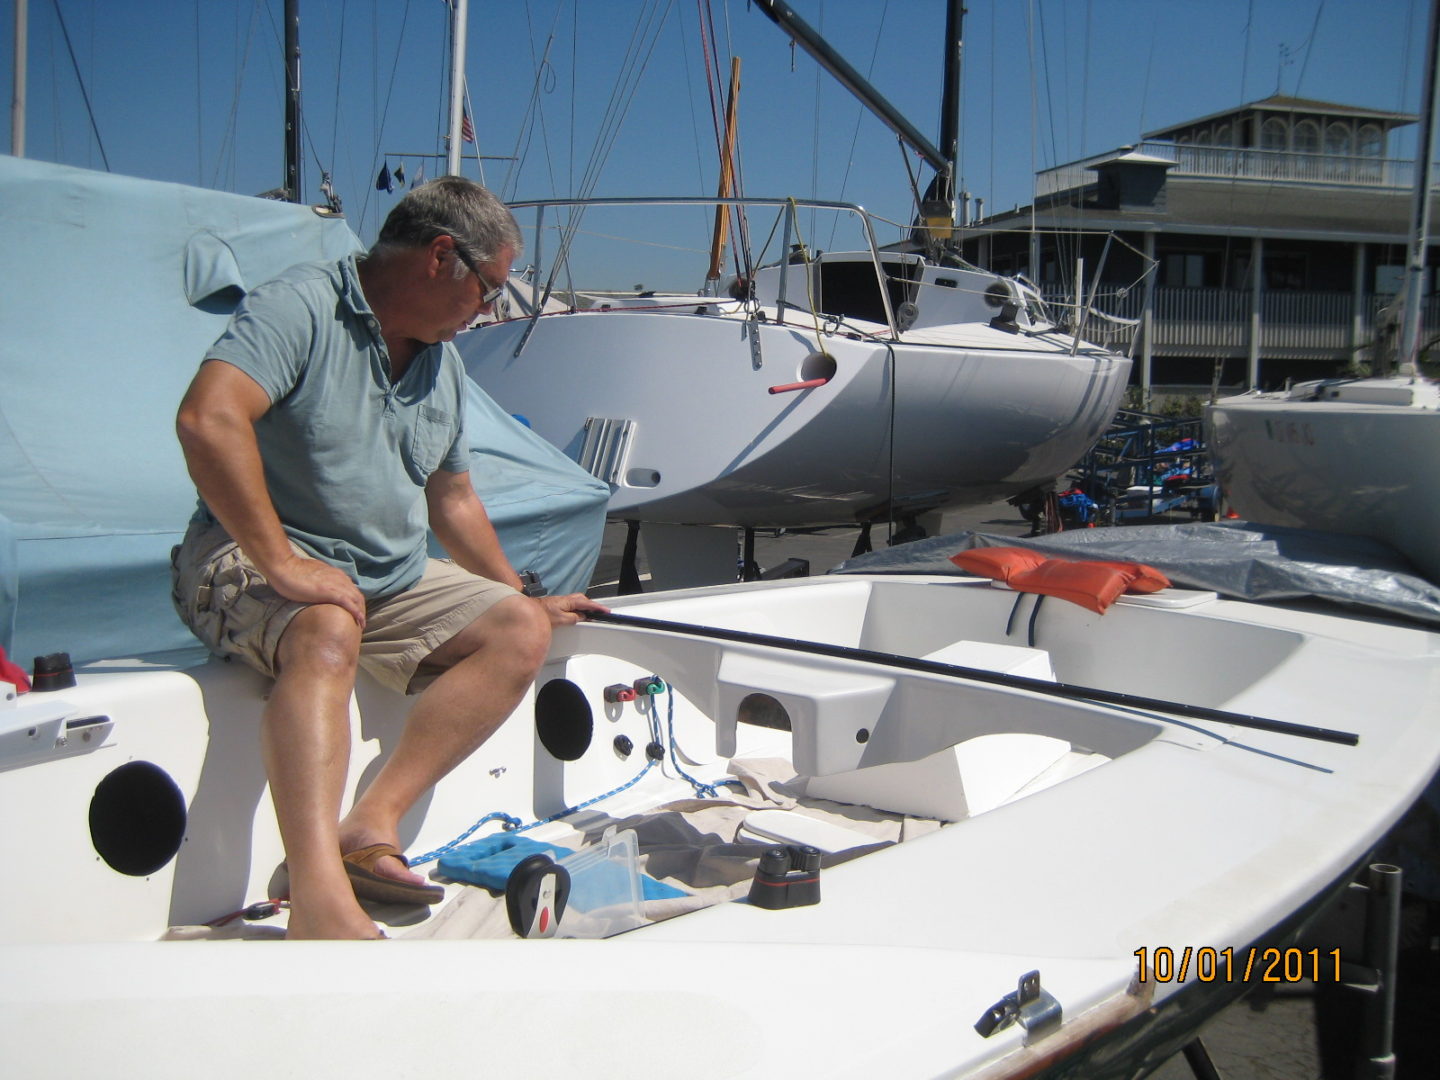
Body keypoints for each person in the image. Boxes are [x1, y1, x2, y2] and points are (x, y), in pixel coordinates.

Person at [172, 176, 607, 940]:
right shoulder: (301, 306)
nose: (490, 310)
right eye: (491, 289)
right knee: (325, 626)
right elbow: (209, 419)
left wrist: (521, 596)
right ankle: (315, 897)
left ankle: (370, 824)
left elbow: (454, 502)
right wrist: (279, 562)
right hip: (247, 557)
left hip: (382, 575)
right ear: (444, 256)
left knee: (517, 633)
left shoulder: (443, 364)